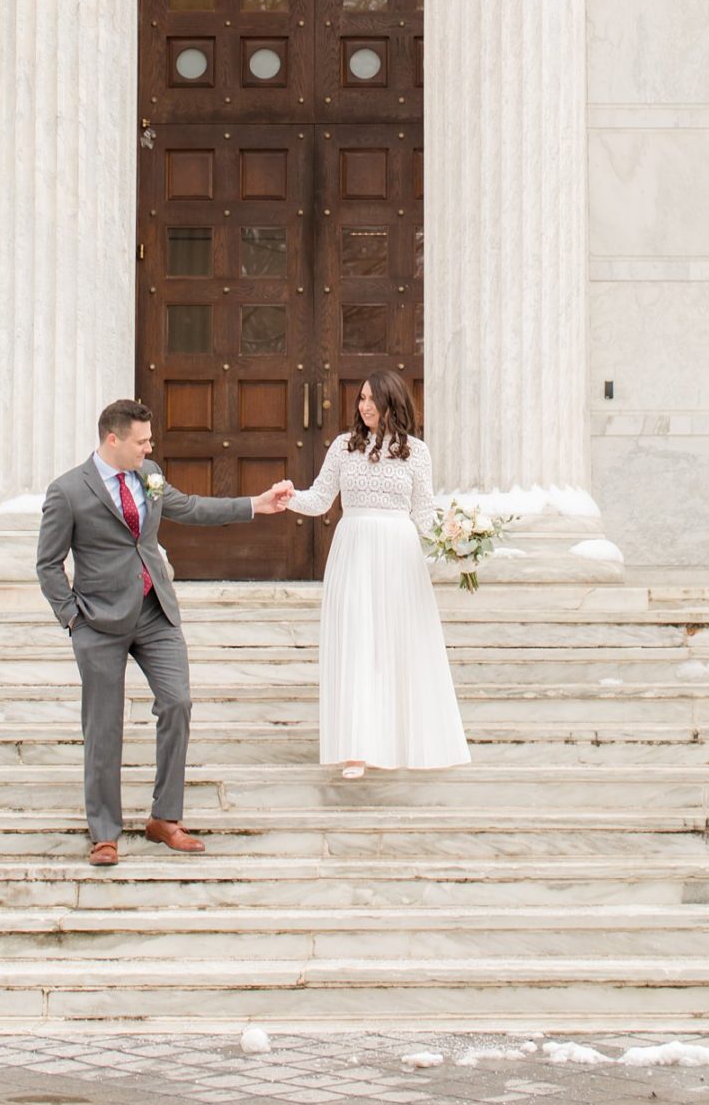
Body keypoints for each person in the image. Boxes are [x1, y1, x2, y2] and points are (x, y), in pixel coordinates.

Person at [36, 398, 294, 866]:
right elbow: (48, 564)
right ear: (112, 439)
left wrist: (254, 505)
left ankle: (165, 818)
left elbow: (189, 507)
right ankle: (105, 833)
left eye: (149, 440)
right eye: (142, 440)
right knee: (104, 726)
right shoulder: (68, 491)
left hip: (156, 613)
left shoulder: (148, 474)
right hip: (98, 622)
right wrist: (72, 618)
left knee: (177, 702)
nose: (149, 447)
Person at [287, 369, 469, 778]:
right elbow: (319, 500)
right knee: (356, 642)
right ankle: (356, 749)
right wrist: (288, 498)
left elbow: (424, 513)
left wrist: (458, 540)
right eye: (361, 398)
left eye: (372, 399)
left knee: (397, 643)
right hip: (353, 549)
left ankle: (403, 741)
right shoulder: (342, 447)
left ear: (393, 403)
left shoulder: (416, 452)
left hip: (399, 555)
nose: (364, 406)